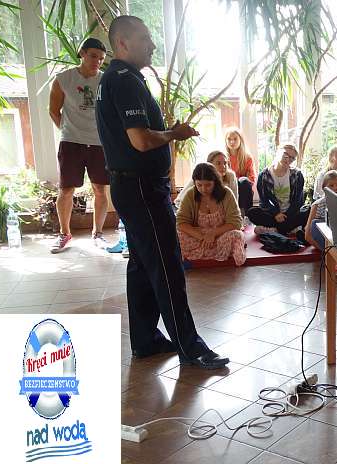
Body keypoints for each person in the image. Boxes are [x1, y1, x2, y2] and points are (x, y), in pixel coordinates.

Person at [96, 15, 228, 369]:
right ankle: (190, 347)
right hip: (141, 188)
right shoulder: (124, 81)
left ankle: (145, 339)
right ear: (122, 43)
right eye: (144, 38)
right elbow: (140, 140)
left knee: (142, 263)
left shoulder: (115, 79)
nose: (152, 45)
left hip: (130, 185)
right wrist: (174, 134)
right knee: (168, 265)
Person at [48, 37, 109, 253]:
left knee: (100, 189)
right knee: (66, 190)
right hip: (71, 142)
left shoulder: (105, 80)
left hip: (99, 143)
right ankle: (64, 234)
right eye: (93, 56)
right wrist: (68, 131)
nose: (97, 61)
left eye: (101, 58)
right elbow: (53, 110)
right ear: (82, 54)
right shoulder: (64, 79)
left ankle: (98, 234)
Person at [176, 163, 245, 266]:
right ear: (194, 183)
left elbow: (236, 223)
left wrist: (213, 234)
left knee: (237, 235)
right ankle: (212, 251)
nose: (203, 189)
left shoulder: (226, 193)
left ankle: (211, 251)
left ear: (215, 182)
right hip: (198, 237)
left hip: (221, 235)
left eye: (208, 185)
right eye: (199, 185)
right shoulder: (190, 194)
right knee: (176, 236)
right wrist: (202, 237)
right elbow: (181, 223)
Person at [247, 144, 309, 236]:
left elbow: (298, 202)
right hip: (273, 214)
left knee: (309, 211)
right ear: (278, 152)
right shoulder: (264, 175)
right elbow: (264, 200)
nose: (288, 159)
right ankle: (288, 229)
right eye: (286, 154)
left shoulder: (297, 175)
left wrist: (286, 215)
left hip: (291, 214)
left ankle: (274, 230)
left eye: (292, 158)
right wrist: (276, 213)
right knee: (252, 212)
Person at [305, 170, 337, 250]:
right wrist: (326, 251)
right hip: (325, 243)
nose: (336, 188)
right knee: (315, 223)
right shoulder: (317, 205)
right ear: (324, 188)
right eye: (331, 186)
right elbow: (308, 235)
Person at [224, 127, 255, 213]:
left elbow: (251, 178)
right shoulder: (223, 157)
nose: (232, 142)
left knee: (244, 181)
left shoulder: (247, 158)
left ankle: (245, 214)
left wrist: (237, 181)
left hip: (243, 188)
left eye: (235, 139)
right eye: (229, 139)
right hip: (228, 186)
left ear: (240, 140)